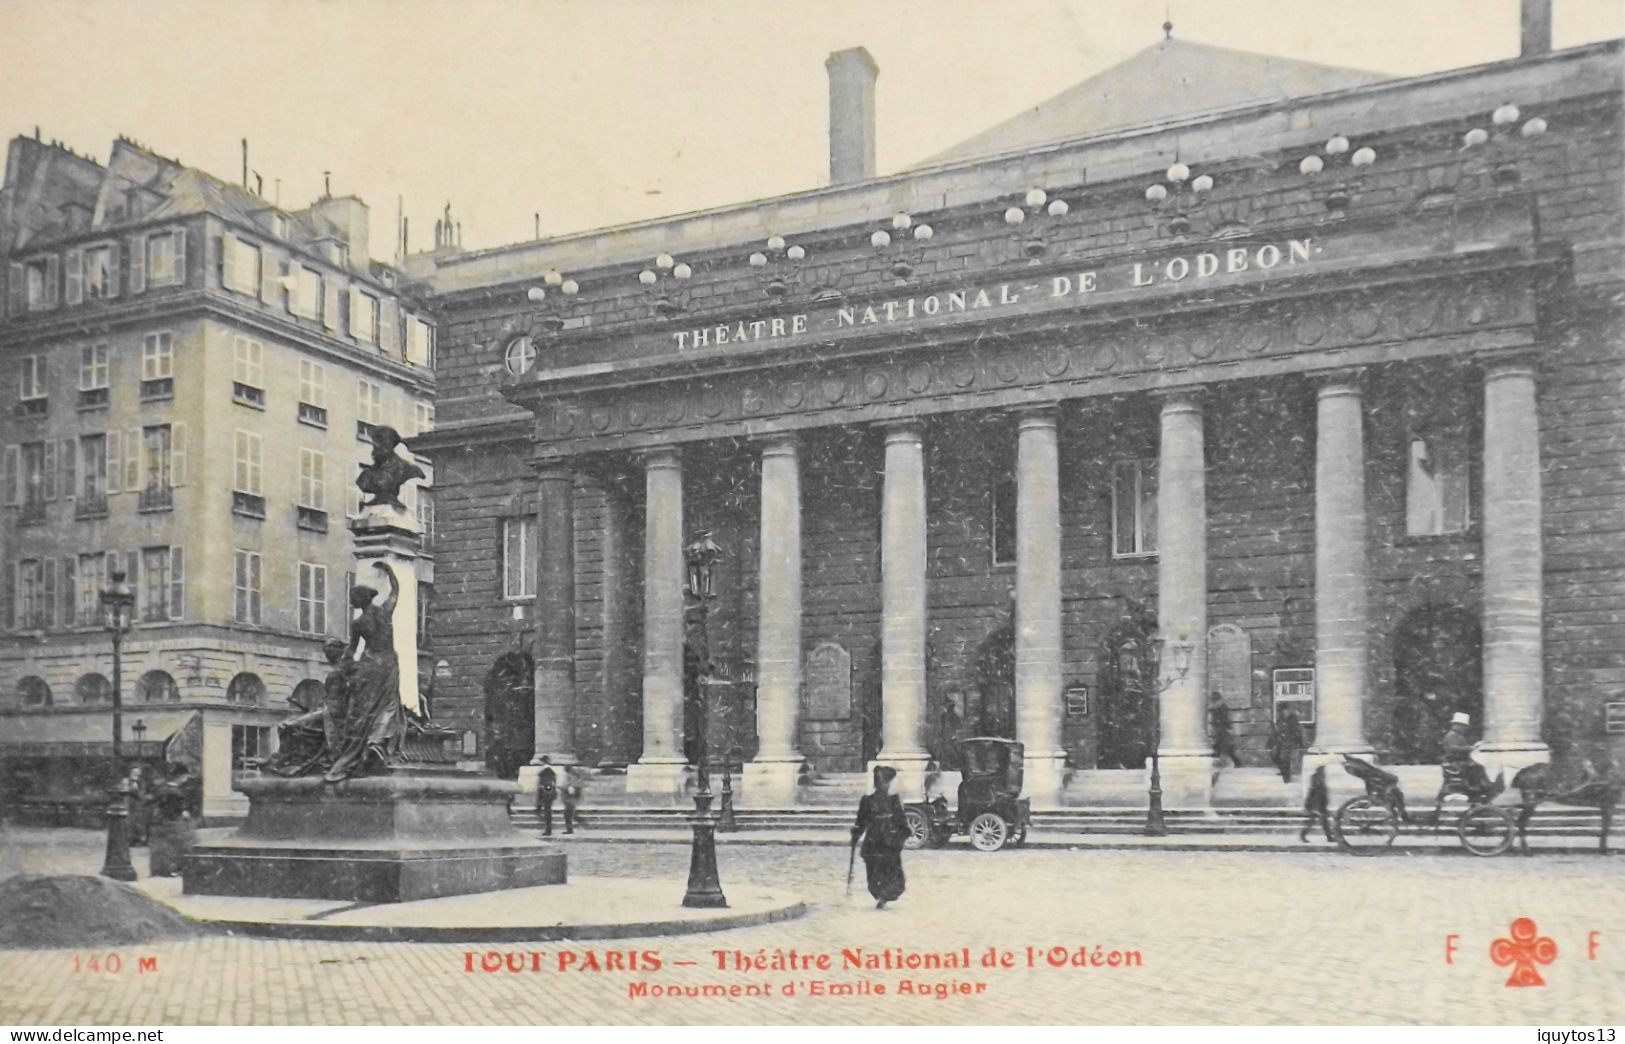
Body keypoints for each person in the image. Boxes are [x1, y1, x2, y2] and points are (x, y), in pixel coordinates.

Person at [324, 563, 406, 783]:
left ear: (360, 600)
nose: (351, 602)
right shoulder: (385, 611)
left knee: (366, 710)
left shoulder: (358, 623)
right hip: (387, 662)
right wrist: (389, 571)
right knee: (387, 705)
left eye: (352, 598)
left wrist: (345, 669)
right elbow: (396, 590)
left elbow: (351, 650)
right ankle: (376, 743)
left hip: (369, 665)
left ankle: (364, 747)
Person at [851, 765, 908, 909]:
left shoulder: (894, 801)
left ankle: (884, 896)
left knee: (890, 870)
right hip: (875, 841)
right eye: (886, 782)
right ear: (880, 783)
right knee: (875, 870)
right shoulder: (867, 801)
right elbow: (861, 821)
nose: (888, 785)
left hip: (889, 841)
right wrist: (856, 834)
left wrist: (902, 834)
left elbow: (900, 820)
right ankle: (881, 895)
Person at [147, 762, 201, 877]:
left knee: (160, 847)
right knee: (184, 842)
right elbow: (173, 810)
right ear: (181, 776)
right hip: (171, 822)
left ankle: (159, 869)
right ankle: (176, 868)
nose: (186, 779)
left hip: (158, 822)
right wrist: (182, 813)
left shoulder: (161, 788)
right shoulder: (175, 792)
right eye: (185, 776)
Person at [1441, 711, 1493, 796]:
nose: (1464, 728)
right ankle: (1476, 787)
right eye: (1463, 726)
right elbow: (1453, 748)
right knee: (1477, 767)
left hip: (1457, 761)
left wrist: (1470, 747)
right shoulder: (1452, 735)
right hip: (1455, 762)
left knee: (1478, 766)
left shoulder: (1457, 735)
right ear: (1457, 725)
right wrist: (1470, 748)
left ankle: (1479, 786)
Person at [1269, 709, 1305, 784]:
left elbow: (1296, 732)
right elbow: (1278, 732)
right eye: (1281, 712)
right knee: (1274, 754)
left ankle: (1287, 777)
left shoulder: (1293, 720)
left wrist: (1296, 742)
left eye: (1284, 711)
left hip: (1292, 742)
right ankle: (1283, 770)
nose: (1283, 713)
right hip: (1282, 742)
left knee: (1286, 756)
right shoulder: (1280, 719)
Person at [1299, 764, 1333, 843]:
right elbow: (1312, 791)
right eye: (1323, 770)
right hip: (1316, 805)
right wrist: (1309, 803)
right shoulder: (1316, 778)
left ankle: (1329, 837)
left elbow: (1323, 792)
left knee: (1323, 822)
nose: (1324, 772)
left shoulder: (1320, 777)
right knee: (1314, 822)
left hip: (1321, 804)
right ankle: (1303, 835)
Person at [1207, 692, 1241, 769]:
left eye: (1214, 699)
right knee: (1225, 748)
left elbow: (1225, 719)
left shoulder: (1221, 707)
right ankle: (1236, 762)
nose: (1213, 701)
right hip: (1221, 730)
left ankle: (1236, 762)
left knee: (1222, 747)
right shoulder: (1219, 707)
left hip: (1222, 731)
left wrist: (1228, 729)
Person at [125, 764, 151, 847]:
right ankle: (131, 840)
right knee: (130, 822)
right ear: (131, 772)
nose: (136, 773)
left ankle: (141, 840)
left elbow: (142, 793)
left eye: (138, 772)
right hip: (129, 804)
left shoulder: (141, 782)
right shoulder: (127, 781)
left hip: (139, 805)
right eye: (134, 772)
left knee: (140, 823)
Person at [536, 756, 557, 837]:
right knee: (547, 812)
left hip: (546, 794)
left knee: (547, 812)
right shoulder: (548, 770)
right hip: (547, 794)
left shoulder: (546, 770)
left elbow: (547, 784)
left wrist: (544, 791)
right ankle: (547, 829)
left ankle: (548, 830)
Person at [560, 764, 582, 835]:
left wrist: (564, 788)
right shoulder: (571, 777)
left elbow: (570, 788)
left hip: (569, 801)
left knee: (567, 816)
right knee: (568, 815)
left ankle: (569, 829)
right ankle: (569, 829)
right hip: (570, 801)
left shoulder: (568, 777)